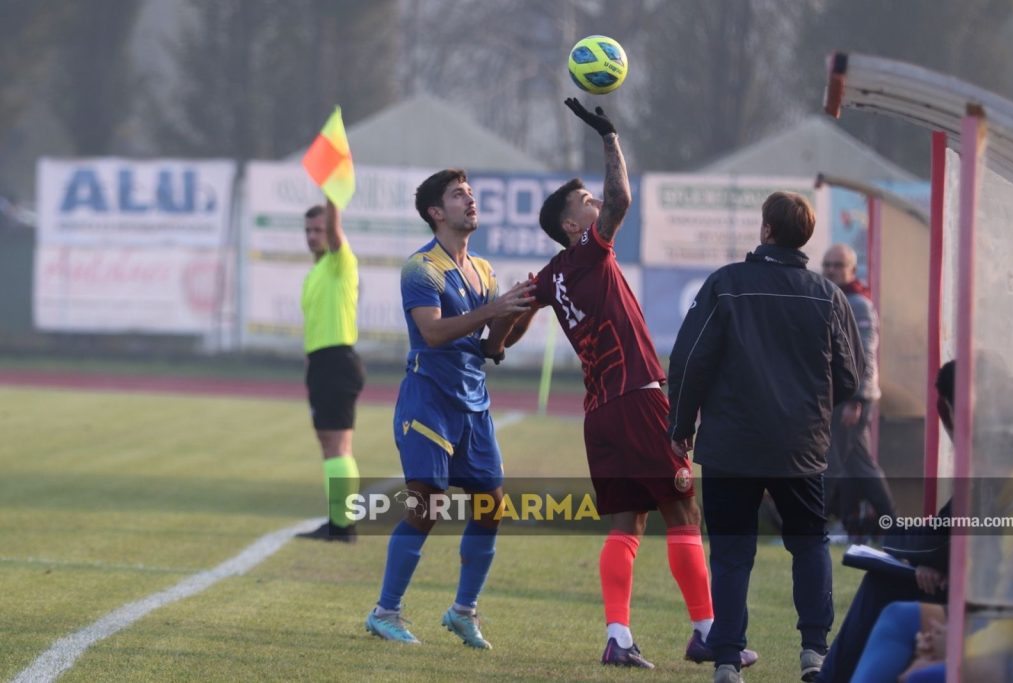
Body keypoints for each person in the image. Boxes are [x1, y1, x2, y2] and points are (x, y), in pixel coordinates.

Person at [507, 98, 755, 671]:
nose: (596, 203)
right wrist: (610, 136)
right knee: (684, 514)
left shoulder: (551, 276)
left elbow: (515, 320)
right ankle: (707, 634)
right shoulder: (588, 255)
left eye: (590, 199)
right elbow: (622, 198)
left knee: (628, 525)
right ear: (573, 227)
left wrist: (497, 339)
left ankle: (618, 637)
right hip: (639, 397)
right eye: (584, 203)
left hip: (600, 412)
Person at [667, 191, 865, 683]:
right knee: (809, 544)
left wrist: (680, 427)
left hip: (731, 446)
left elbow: (690, 360)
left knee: (733, 552)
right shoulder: (828, 295)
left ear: (766, 230)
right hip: (801, 448)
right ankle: (814, 652)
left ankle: (729, 659)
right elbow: (849, 376)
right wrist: (809, 413)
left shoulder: (726, 285)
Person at [363, 169, 534, 648]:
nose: (470, 200)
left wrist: (521, 309)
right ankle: (385, 612)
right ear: (437, 212)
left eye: (471, 193)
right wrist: (493, 310)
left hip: (473, 402)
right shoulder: (420, 267)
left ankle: (463, 611)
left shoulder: (482, 270)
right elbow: (434, 333)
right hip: (428, 400)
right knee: (427, 503)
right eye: (459, 195)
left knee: (492, 507)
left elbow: (491, 349)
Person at [815, 360, 955, 683]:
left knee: (888, 593)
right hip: (970, 593)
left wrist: (912, 547)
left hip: (989, 610)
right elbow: (949, 531)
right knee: (885, 584)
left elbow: (947, 536)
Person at [296, 201, 366, 543]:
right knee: (329, 445)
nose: (312, 236)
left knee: (338, 446)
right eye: (307, 231)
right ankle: (338, 522)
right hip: (322, 364)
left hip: (337, 361)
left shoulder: (340, 261)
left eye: (318, 230)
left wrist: (332, 192)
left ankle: (343, 526)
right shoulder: (316, 272)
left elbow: (337, 231)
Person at [821, 243, 896, 540]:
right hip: (841, 396)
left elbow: (864, 353)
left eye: (838, 265)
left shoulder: (857, 303)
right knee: (861, 466)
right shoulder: (832, 297)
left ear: (852, 270)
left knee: (830, 463)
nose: (831, 270)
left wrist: (856, 399)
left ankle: (809, 528)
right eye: (827, 264)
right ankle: (893, 527)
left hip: (850, 398)